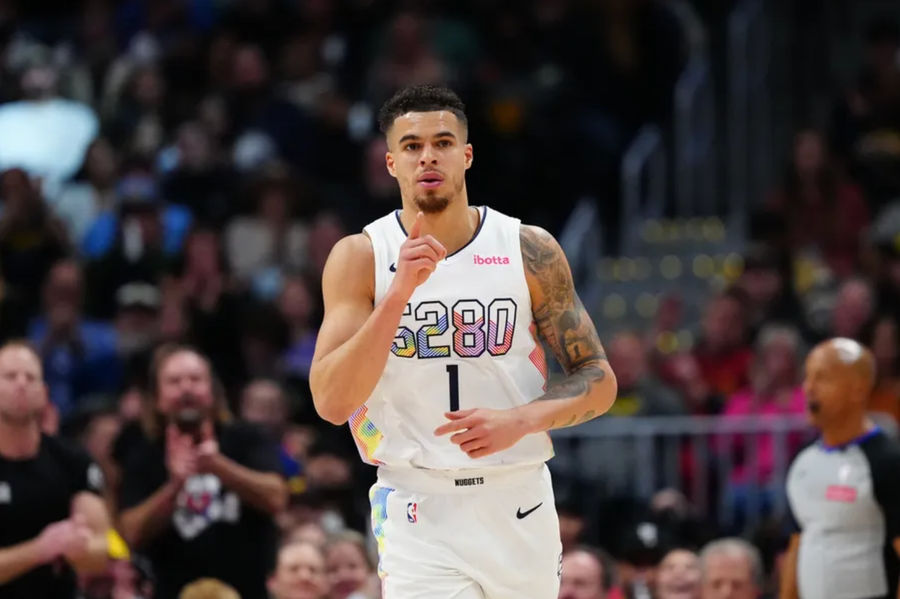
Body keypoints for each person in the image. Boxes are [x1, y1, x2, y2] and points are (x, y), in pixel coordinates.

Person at [310, 84, 617, 598]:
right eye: (411, 146)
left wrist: (520, 420)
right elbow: (331, 401)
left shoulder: (528, 248)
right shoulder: (360, 256)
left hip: (516, 496)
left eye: (443, 142)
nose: (428, 155)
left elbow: (599, 381)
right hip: (416, 505)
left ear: (467, 155)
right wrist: (398, 295)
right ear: (390, 163)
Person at [116, 344, 288, 599]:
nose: (186, 388)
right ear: (158, 398)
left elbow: (277, 498)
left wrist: (217, 465)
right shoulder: (143, 454)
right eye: (174, 381)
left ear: (213, 391)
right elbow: (130, 533)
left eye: (195, 379)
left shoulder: (246, 438)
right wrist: (174, 486)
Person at [781, 338, 900, 599]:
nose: (808, 388)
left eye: (822, 378)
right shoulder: (803, 463)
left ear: (858, 389)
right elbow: (797, 546)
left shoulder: (889, 460)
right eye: (807, 377)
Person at [0, 341, 111, 598]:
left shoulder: (72, 460)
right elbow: (44, 549)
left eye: (30, 377)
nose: (21, 384)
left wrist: (79, 549)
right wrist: (40, 550)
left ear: (44, 393)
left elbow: (103, 549)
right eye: (9, 376)